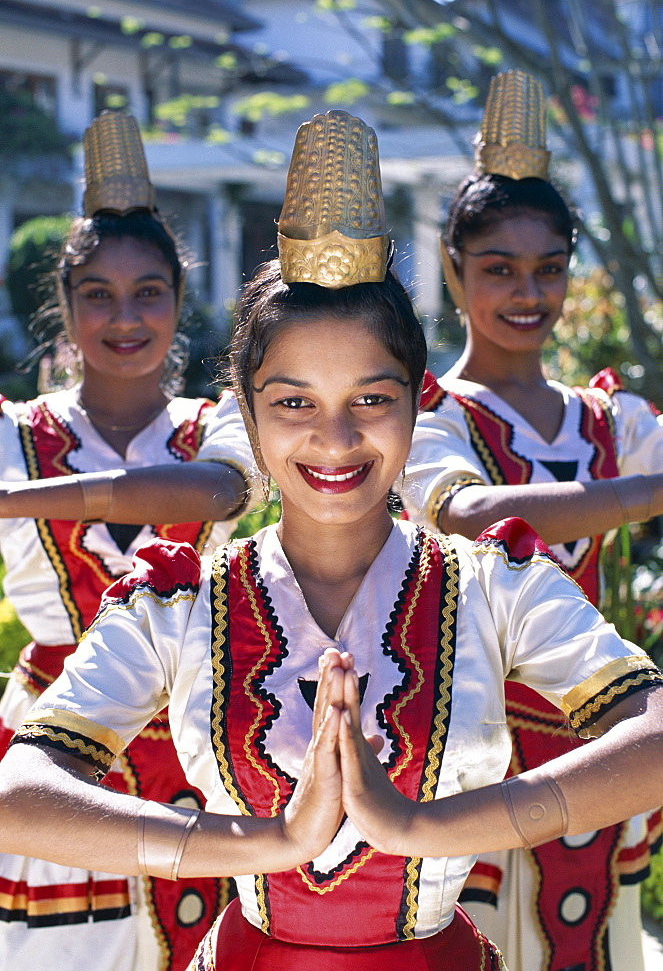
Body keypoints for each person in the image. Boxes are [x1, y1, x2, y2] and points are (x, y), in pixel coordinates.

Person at [0, 108, 662, 971]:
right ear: (244, 409)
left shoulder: (498, 585)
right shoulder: (177, 602)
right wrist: (268, 842)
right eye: (293, 403)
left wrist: (423, 826)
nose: (336, 439)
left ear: (415, 401)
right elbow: (20, 793)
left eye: (372, 399)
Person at [401, 69, 663, 971]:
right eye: (499, 269)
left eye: (547, 269)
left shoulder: (607, 420)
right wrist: (635, 496)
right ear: (453, 268)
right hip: (480, 746)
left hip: (602, 743)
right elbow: (470, 512)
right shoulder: (434, 420)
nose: (528, 293)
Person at [0, 111, 255, 971]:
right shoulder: (12, 434)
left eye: (148, 290)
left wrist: (14, 501)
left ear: (179, 302)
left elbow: (216, 493)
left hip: (198, 728)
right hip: (54, 741)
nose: (124, 316)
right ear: (66, 309)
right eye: (98, 295)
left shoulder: (223, 426)